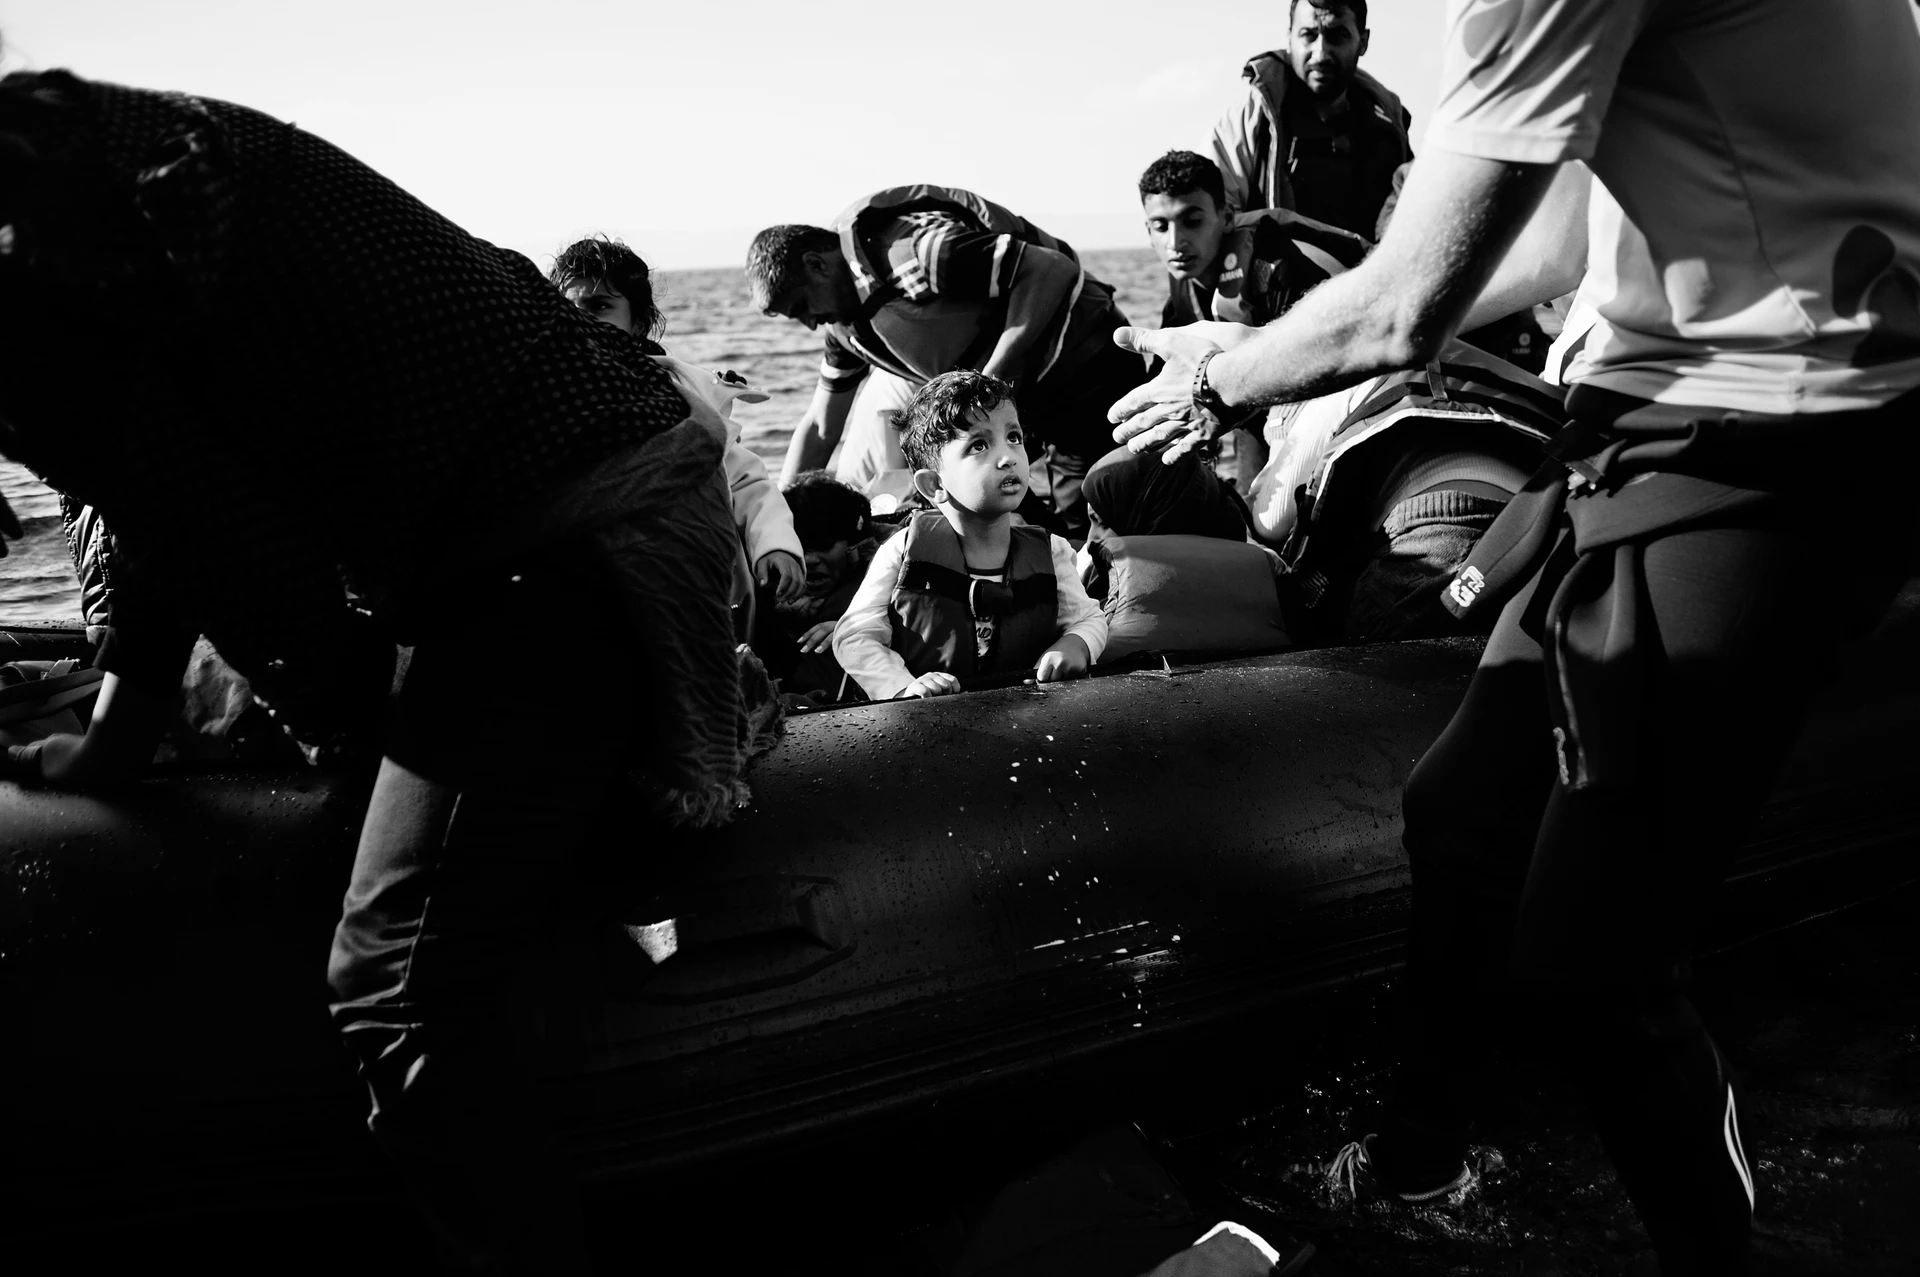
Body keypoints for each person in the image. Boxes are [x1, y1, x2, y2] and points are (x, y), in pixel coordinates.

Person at [1111, 0, 1920, 1269]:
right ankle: (1420, 1160)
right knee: (1463, 809)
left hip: (1768, 443)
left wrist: (1218, 376)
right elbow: (1550, 239)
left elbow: (1404, 314)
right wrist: (1260, 338)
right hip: (1669, 425)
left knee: (1595, 966)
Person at [0, 68, 755, 1272]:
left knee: (393, 981)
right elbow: (162, 488)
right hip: (552, 513)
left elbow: (216, 543)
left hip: (568, 539)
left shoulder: (34, 244)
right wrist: (126, 736)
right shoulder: (82, 146)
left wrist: (340, 729)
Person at [747, 186, 1148, 539]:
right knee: (978, 505)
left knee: (1098, 511)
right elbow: (820, 426)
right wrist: (777, 517)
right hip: (1022, 403)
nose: (809, 324)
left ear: (817, 264)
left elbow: (1050, 268)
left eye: (801, 307)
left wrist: (989, 386)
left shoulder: (918, 254)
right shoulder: (846, 329)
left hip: (1091, 368)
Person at [552, 235, 808, 613]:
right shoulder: (544, 399)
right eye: (568, 307)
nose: (581, 320)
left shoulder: (683, 393)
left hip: (698, 578)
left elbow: (744, 479)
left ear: (638, 322)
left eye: (600, 306)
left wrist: (774, 544)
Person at [832, 371, 1107, 700]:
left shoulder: (1052, 551)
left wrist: (1075, 645)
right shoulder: (902, 551)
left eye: (1014, 437)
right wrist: (902, 687)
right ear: (935, 485)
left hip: (1024, 712)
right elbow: (855, 635)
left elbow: (1089, 619)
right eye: (979, 445)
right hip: (928, 719)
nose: (1008, 458)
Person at [1209, 0, 1411, 239]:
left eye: (1337, 36)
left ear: (1363, 42)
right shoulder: (1252, 117)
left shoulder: (1388, 122)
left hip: (1377, 273)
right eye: (1309, 35)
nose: (1321, 53)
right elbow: (1211, 222)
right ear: (1290, 38)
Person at [758, 470, 888, 702]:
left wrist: (858, 626)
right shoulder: (764, 586)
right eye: (798, 547)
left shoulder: (880, 579)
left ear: (854, 545)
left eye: (823, 546)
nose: (809, 559)